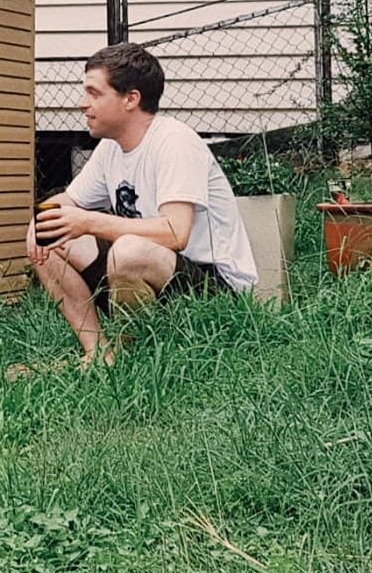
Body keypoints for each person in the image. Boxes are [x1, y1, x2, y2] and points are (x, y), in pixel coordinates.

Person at [29, 42, 257, 365]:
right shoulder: (110, 149)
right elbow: (69, 200)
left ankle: (140, 357)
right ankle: (100, 355)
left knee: (128, 251)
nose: (83, 104)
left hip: (216, 291)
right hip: (158, 275)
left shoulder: (174, 143)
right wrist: (39, 223)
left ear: (130, 99)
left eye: (94, 93)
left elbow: (176, 233)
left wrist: (88, 222)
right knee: (52, 241)